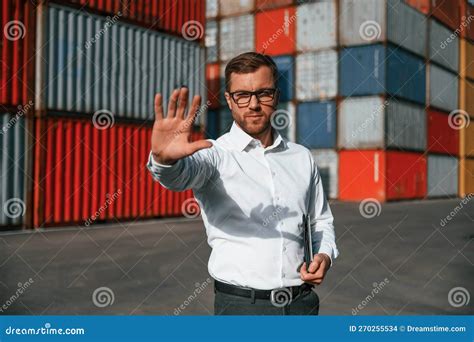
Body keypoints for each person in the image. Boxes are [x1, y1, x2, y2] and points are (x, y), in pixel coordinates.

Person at [146, 52, 339, 315]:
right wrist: (163, 161)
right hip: (242, 307)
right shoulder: (215, 154)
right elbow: (180, 175)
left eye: (264, 93)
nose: (254, 104)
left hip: (302, 304)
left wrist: (324, 255)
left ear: (277, 95)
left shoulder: (301, 157)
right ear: (229, 100)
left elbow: (320, 222)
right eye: (242, 95)